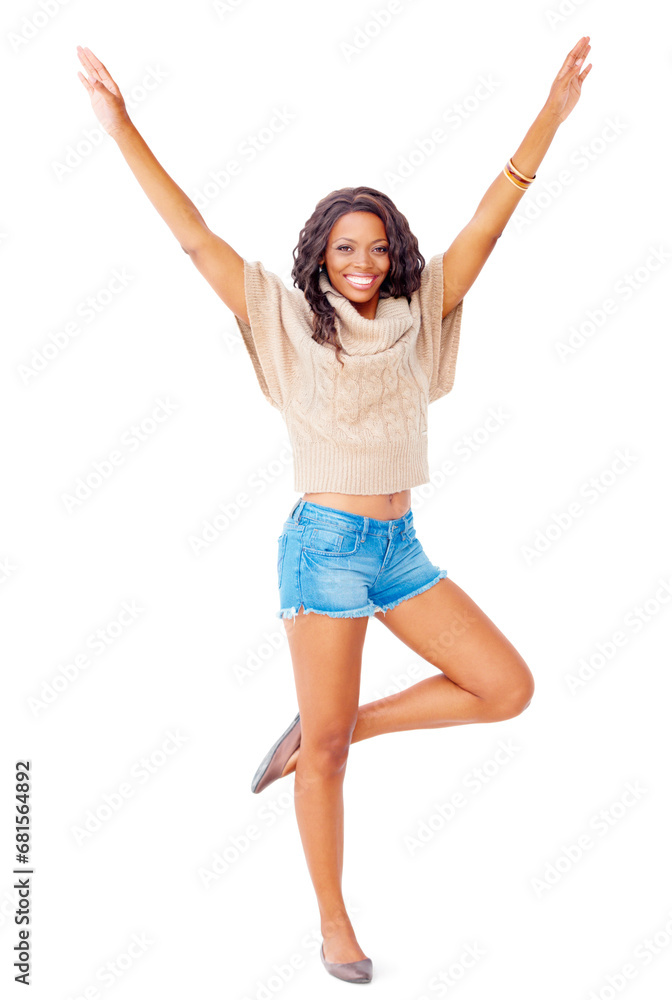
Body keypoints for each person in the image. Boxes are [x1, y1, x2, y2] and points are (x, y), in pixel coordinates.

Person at [77, 36, 592, 985]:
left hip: (399, 546)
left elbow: (490, 222)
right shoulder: (283, 318)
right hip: (325, 549)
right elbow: (193, 235)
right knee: (326, 758)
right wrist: (121, 126)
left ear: (396, 254)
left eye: (378, 246)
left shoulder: (418, 314)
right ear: (321, 252)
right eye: (346, 247)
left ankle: (337, 722)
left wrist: (551, 118)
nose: (363, 262)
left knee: (504, 688)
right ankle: (334, 925)